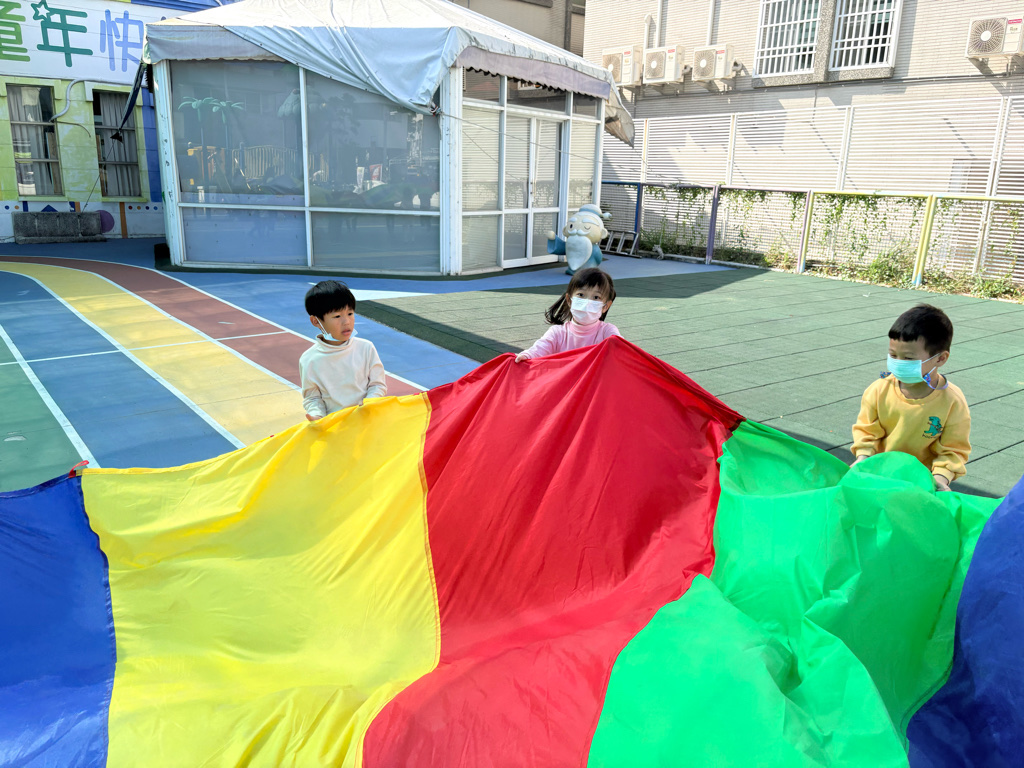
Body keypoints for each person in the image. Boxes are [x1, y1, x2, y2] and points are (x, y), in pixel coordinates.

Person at [851, 304, 970, 491]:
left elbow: (953, 450)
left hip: (922, 483)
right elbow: (867, 433)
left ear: (940, 359)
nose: (898, 363)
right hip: (879, 476)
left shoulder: (952, 401)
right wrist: (862, 459)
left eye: (908, 359)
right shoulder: (878, 390)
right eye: (893, 355)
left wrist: (940, 479)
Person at [300, 280, 387, 421]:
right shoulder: (309, 359)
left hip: (367, 420)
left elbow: (377, 385)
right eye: (337, 316)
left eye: (350, 313)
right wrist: (317, 415)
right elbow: (313, 398)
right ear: (316, 321)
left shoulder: (366, 348)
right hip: (336, 425)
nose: (346, 321)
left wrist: (368, 404)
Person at [515, 268, 621, 362]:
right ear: (569, 300)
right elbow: (540, 349)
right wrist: (527, 355)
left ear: (606, 306)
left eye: (596, 297)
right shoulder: (557, 333)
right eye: (581, 295)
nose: (587, 302)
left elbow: (622, 350)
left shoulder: (607, 332)